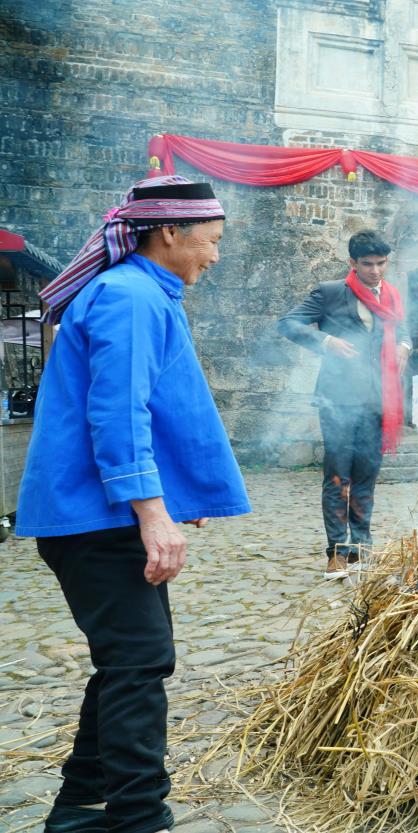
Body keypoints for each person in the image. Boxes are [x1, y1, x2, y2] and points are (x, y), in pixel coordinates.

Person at [19, 174, 252, 833]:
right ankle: (138, 817)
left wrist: (171, 495)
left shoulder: (142, 293)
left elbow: (150, 404)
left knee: (130, 658)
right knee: (138, 661)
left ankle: (82, 806)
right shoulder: (130, 296)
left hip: (100, 514)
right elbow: (118, 412)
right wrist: (152, 511)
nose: (214, 255)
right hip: (95, 517)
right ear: (169, 232)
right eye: (210, 240)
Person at [278, 230, 411, 579]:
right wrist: (326, 341)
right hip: (338, 399)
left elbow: (402, 330)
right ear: (352, 262)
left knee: (367, 476)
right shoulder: (330, 292)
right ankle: (336, 553)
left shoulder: (392, 295)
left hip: (379, 398)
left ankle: (361, 549)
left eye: (381, 263)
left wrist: (404, 346)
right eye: (367, 264)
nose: (376, 271)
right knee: (338, 477)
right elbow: (287, 323)